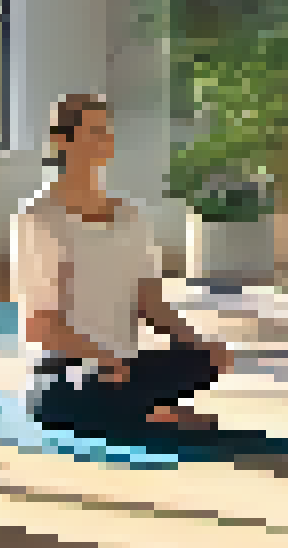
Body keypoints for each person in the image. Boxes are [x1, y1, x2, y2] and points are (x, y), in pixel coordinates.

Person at [12, 94, 233, 437]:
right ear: (62, 140)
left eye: (108, 132)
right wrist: (100, 356)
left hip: (124, 368)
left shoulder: (130, 214)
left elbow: (150, 301)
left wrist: (196, 341)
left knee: (202, 360)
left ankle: (141, 408)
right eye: (95, 131)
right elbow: (39, 327)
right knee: (63, 398)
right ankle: (149, 410)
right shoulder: (39, 217)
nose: (106, 141)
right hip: (69, 370)